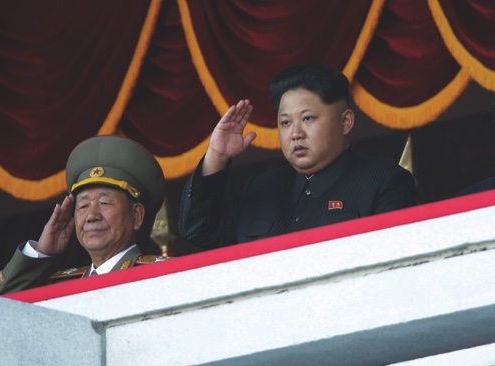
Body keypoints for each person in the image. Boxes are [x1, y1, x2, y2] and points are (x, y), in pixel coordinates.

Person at [179, 63, 417, 248]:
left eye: (308, 119)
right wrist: (217, 156)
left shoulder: (384, 182)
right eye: (285, 122)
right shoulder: (262, 189)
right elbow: (197, 231)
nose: (295, 134)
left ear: (345, 122)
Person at [0, 135, 170, 296]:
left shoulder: (164, 276)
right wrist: (42, 251)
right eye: (83, 205)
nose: (91, 216)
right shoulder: (60, 287)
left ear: (136, 215)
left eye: (104, 203)